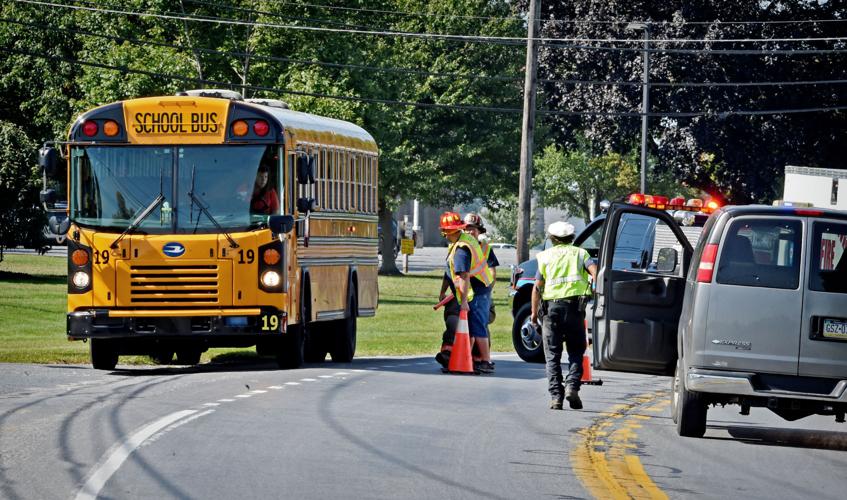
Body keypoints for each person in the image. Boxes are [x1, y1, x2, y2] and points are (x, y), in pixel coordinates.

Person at [531, 221, 597, 410]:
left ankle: (556, 397)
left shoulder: (544, 256)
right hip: (575, 309)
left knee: (552, 354)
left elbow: (537, 287)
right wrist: (594, 290)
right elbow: (595, 273)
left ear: (552, 239)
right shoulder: (581, 254)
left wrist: (534, 314)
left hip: (551, 311)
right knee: (576, 351)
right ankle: (572, 386)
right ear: (572, 238)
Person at [438, 211, 496, 373]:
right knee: (470, 326)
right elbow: (449, 273)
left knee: (477, 326)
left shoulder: (461, 249)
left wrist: (463, 302)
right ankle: (465, 358)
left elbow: (463, 276)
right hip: (477, 290)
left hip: (476, 292)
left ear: (447, 231)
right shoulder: (464, 242)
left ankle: (485, 361)